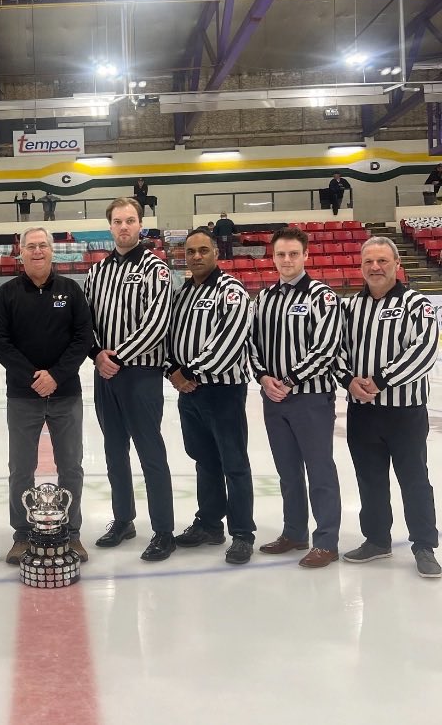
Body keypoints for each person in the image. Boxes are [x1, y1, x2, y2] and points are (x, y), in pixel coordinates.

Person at [337, 236, 441, 578]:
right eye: (368, 261)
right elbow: (336, 350)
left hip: (404, 411)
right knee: (369, 479)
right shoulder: (350, 307)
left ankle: (424, 545)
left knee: (414, 479)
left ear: (397, 265)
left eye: (382, 260)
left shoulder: (417, 304)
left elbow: (424, 350)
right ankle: (377, 539)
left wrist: (380, 380)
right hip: (362, 411)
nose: (375, 267)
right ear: (361, 267)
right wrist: (349, 379)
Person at [0, 227, 93, 566]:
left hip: (66, 395)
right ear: (20, 252)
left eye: (42, 246)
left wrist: (57, 375)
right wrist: (34, 377)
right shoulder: (6, 294)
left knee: (71, 467)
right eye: (30, 246)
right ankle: (22, 533)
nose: (37, 251)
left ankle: (71, 532)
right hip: (23, 395)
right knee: (21, 468)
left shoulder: (71, 291)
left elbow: (82, 338)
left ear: (52, 251)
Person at [84, 197, 176, 561]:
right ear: (109, 227)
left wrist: (116, 356)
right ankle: (123, 519)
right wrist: (96, 354)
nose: (124, 226)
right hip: (105, 374)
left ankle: (164, 530)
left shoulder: (157, 270)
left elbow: (157, 324)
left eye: (130, 220)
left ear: (141, 224)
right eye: (118, 221)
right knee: (113, 451)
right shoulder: (97, 271)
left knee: (150, 452)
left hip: (140, 374)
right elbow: (84, 322)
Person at [249, 227, 342, 568]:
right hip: (273, 399)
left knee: (319, 471)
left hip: (310, 399)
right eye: (280, 255)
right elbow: (252, 345)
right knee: (287, 471)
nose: (286, 260)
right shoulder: (264, 298)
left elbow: (327, 348)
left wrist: (288, 380)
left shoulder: (322, 296)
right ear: (272, 258)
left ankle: (327, 541)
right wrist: (263, 377)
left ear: (306, 256)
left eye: (293, 254)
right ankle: (294, 532)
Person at [168, 228, 256, 565]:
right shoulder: (182, 294)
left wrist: (188, 372)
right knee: (204, 460)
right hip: (189, 394)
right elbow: (170, 338)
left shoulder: (231, 291)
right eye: (191, 252)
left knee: (234, 463)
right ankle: (209, 524)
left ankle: (243, 533)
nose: (197, 257)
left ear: (216, 253)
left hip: (223, 392)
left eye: (203, 250)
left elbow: (230, 341)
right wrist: (172, 371)